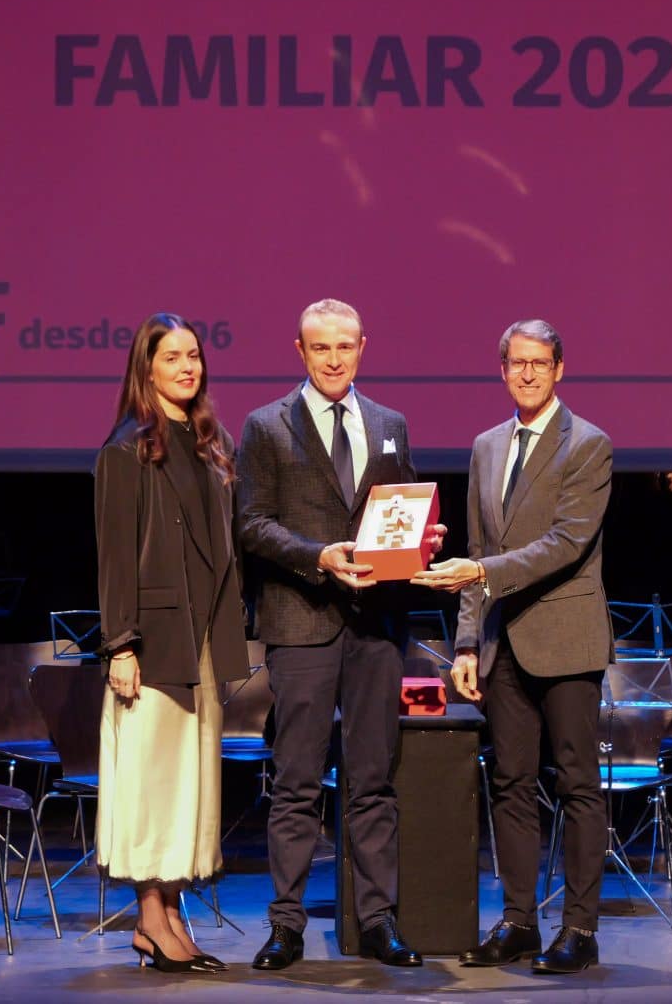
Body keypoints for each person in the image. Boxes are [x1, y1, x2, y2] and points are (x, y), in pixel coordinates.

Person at [237, 298, 444, 970]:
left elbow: (398, 510)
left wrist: (423, 538)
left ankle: (378, 919)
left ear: (362, 348)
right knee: (296, 780)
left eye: (345, 347)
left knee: (374, 779)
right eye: (321, 347)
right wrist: (317, 556)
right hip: (301, 621)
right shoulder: (265, 425)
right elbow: (251, 524)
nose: (333, 359)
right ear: (299, 351)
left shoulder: (390, 423)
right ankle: (286, 925)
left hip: (376, 623)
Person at [413, 318, 613, 975]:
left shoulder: (588, 444)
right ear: (502, 371)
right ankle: (520, 921)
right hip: (502, 644)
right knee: (511, 785)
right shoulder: (487, 446)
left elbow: (566, 543)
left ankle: (579, 929)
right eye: (517, 363)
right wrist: (467, 643)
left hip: (567, 639)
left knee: (578, 785)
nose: (528, 373)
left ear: (559, 369)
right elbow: (481, 548)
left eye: (539, 363)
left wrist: (480, 572)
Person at [94, 313, 249, 974]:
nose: (187, 368)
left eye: (194, 356)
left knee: (189, 784)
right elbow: (115, 555)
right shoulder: (128, 447)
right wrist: (120, 644)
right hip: (153, 644)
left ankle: (171, 911)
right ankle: (150, 918)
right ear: (147, 367)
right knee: (153, 782)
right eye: (172, 357)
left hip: (202, 638)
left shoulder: (210, 440)